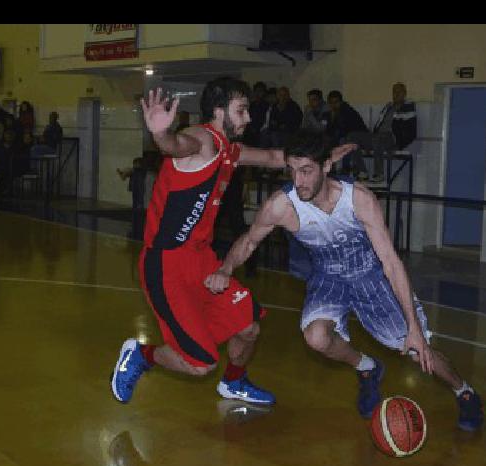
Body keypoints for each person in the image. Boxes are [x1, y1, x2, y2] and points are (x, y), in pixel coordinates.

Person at [204, 129, 483, 431]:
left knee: (418, 351)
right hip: (328, 278)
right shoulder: (282, 205)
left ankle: (464, 391)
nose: (299, 182)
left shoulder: (358, 199)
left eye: (307, 171)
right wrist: (225, 268)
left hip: (371, 276)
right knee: (316, 337)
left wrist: (414, 327)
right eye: (293, 171)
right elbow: (248, 241)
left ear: (326, 166)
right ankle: (367, 368)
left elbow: (390, 262)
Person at [110, 79, 355, 406]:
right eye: (241, 110)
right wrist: (160, 134)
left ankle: (234, 382)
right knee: (201, 363)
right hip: (166, 265)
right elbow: (175, 145)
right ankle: (142, 355)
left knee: (249, 327)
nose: (249, 118)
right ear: (217, 111)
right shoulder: (203, 140)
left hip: (201, 259)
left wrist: (319, 159)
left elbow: (272, 157)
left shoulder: (230, 150)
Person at [347, 82, 417, 182]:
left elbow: (411, 132)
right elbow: (378, 125)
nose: (396, 94)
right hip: (378, 136)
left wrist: (399, 145)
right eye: (394, 92)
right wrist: (367, 142)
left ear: (405, 94)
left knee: (379, 138)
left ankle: (379, 174)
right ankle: (362, 171)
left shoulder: (408, 107)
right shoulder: (388, 106)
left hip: (393, 138)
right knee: (351, 137)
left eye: (399, 92)